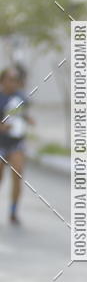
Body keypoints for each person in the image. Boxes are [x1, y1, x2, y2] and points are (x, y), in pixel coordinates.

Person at [0, 66, 30, 225]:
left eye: (16, 80)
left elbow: (22, 115)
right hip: (1, 142)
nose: (13, 83)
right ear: (3, 80)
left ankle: (13, 210)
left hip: (16, 142)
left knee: (18, 172)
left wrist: (27, 120)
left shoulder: (21, 98)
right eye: (10, 79)